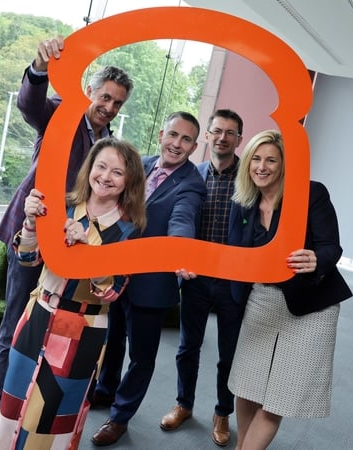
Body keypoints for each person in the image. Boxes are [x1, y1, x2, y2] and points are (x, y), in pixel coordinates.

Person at [0, 34, 134, 425]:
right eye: (105, 97)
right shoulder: (60, 112)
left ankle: (38, 403)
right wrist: (40, 68)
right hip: (33, 232)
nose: (109, 107)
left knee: (54, 325)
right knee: (16, 319)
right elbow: (29, 104)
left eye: (117, 103)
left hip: (75, 245)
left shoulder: (110, 143)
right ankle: (3, 402)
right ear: (89, 91)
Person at [0, 137, 147, 449]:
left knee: (55, 418)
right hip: (37, 314)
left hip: (83, 329)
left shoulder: (129, 231)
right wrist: (31, 222)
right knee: (13, 406)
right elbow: (27, 258)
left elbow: (111, 292)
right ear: (90, 167)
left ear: (129, 181)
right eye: (101, 166)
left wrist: (89, 250)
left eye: (117, 172)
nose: (106, 176)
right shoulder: (61, 206)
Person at [226, 129, 353, 449]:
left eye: (271, 160)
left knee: (277, 397)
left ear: (284, 165)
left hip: (311, 306)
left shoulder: (311, 194)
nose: (262, 167)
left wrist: (317, 259)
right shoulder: (243, 203)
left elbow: (332, 246)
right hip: (262, 300)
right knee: (247, 385)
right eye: (256, 159)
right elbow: (233, 255)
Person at [90, 111, 207, 446]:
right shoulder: (139, 165)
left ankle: (120, 417)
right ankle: (105, 390)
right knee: (112, 339)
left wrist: (181, 250)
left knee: (141, 356)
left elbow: (182, 219)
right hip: (115, 274)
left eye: (186, 139)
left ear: (194, 146)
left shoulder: (191, 184)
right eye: (173, 135)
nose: (177, 144)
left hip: (151, 284)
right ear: (160, 135)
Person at [159, 109, 245, 447]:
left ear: (239, 139)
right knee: (187, 347)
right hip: (195, 278)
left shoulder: (250, 178)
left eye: (230, 133)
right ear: (207, 137)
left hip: (232, 280)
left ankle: (223, 413)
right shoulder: (192, 176)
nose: (223, 138)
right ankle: (184, 404)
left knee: (229, 354)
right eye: (217, 131)